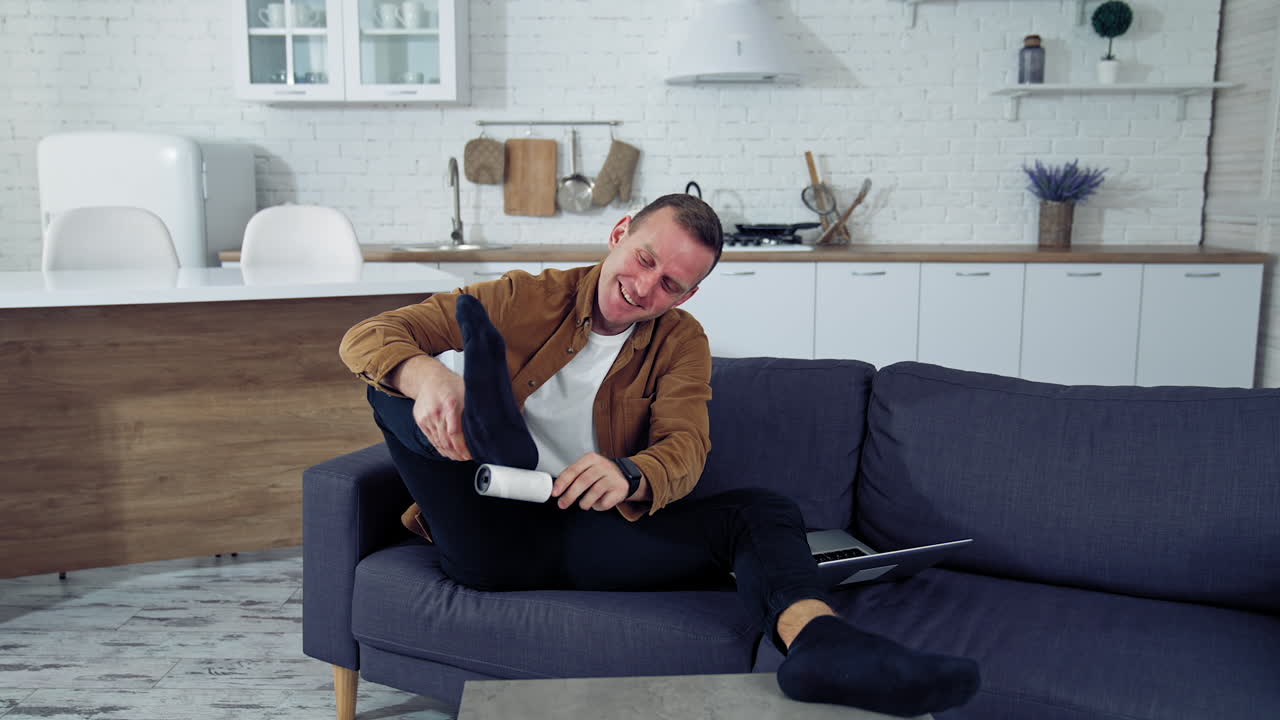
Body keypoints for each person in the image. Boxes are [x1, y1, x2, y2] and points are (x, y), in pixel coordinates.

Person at [338, 193, 980, 716]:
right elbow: (367, 336)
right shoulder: (522, 297)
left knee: (759, 511)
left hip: (586, 529)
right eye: (643, 259)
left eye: (670, 283)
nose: (645, 287)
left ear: (687, 295)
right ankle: (490, 431)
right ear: (620, 232)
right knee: (393, 393)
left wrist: (629, 473)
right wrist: (427, 378)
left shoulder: (681, 342)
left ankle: (823, 646)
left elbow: (686, 446)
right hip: (488, 520)